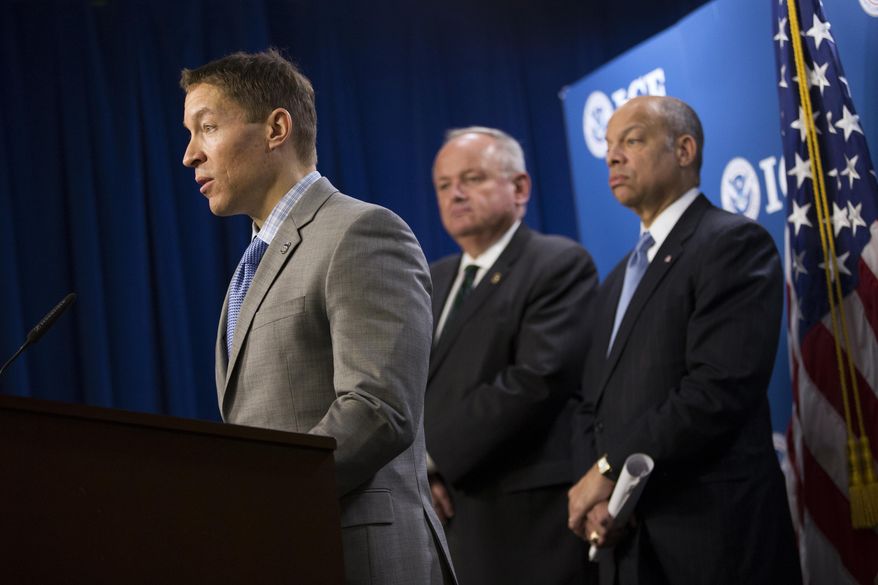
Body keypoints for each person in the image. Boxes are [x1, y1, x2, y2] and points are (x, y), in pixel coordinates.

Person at [180, 49, 455, 585]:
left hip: (361, 557)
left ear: (276, 127)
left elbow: (379, 408)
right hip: (289, 549)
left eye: (207, 128)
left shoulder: (362, 232)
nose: (190, 154)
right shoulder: (250, 263)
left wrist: (260, 498)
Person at [567, 96, 801, 584]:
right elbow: (593, 401)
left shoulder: (732, 244)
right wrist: (602, 496)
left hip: (715, 540)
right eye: (608, 146)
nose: (612, 157)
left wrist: (612, 471)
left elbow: (716, 389)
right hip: (628, 544)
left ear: (685, 148)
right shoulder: (615, 283)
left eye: (631, 140)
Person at [424, 127, 598, 584]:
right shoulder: (432, 279)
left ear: (520, 187)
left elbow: (534, 381)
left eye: (472, 178)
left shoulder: (557, 264)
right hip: (447, 516)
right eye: (444, 185)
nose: (455, 194)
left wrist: (432, 459)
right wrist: (417, 471)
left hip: (526, 524)